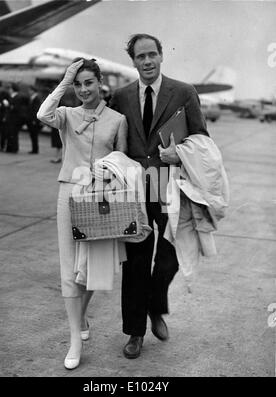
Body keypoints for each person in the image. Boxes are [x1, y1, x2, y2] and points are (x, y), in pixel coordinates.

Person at [110, 33, 209, 359]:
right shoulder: (121, 96)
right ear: (133, 61)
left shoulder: (183, 92)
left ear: (162, 55)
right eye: (141, 57)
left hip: (171, 188)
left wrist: (177, 154)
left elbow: (202, 142)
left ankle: (155, 306)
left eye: (152, 54)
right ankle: (136, 333)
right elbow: (111, 141)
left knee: (170, 256)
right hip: (135, 191)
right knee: (136, 263)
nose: (148, 61)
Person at [37, 58, 128, 370]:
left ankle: (82, 315)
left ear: (99, 82)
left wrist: (111, 183)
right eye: (78, 84)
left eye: (88, 82)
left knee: (96, 271)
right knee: (68, 269)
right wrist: (64, 81)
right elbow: (42, 113)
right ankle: (75, 337)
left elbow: (122, 162)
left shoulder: (117, 120)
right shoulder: (65, 114)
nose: (83, 89)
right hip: (69, 195)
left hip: (103, 198)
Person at [6, 83, 28, 153]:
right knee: (10, 133)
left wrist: (8, 105)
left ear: (13, 89)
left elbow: (16, 108)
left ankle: (14, 148)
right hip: (11, 118)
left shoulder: (17, 97)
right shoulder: (12, 97)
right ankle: (9, 148)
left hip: (15, 118)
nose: (9, 90)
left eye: (10, 89)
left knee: (14, 134)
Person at [27, 86, 41, 154]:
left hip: (34, 121)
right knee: (32, 135)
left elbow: (36, 110)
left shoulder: (36, 99)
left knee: (34, 135)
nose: (29, 92)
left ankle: (35, 149)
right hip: (31, 120)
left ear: (33, 91)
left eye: (30, 90)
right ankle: (34, 149)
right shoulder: (32, 98)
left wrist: (34, 120)